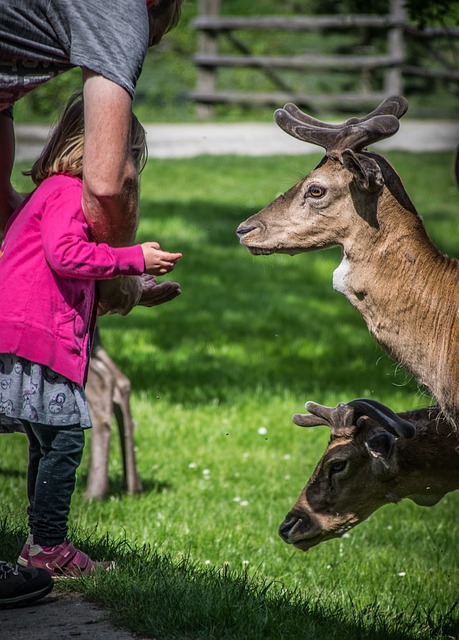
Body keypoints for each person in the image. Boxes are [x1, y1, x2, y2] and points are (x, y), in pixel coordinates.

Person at [0, 92, 183, 577]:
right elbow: (64, 255)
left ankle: (39, 544)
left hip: (31, 336)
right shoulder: (65, 192)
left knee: (48, 443)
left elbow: (66, 269)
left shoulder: (52, 191)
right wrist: (131, 258)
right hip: (38, 338)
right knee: (62, 443)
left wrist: (133, 288)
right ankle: (50, 547)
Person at [0, 0, 184, 314]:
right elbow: (107, 184)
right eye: (151, 38)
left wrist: (107, 273)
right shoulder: (122, 9)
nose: (140, 49)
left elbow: (7, 208)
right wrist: (122, 275)